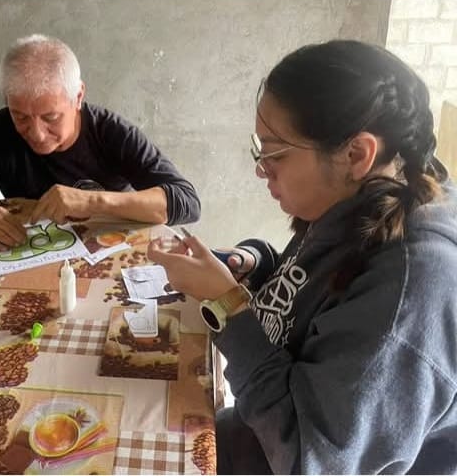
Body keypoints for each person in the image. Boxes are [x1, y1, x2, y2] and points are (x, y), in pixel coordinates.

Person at [149, 40, 457, 474]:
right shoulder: (367, 201)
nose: (261, 169)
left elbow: (307, 459)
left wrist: (228, 304)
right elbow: (311, 293)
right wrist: (252, 263)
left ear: (356, 154)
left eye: (274, 152)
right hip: (254, 429)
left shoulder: (412, 292)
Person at [0, 34, 200, 251]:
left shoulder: (110, 132)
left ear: (78, 97)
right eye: (21, 117)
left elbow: (186, 202)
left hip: (108, 250)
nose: (37, 134)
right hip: (35, 252)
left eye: (51, 117)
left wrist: (92, 201)